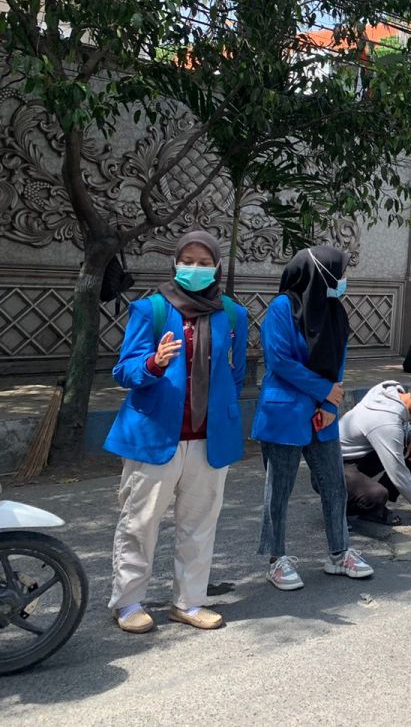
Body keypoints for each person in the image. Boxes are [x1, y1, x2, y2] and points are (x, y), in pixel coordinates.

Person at [105, 230, 249, 633]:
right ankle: (128, 601)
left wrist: (217, 408)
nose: (196, 268)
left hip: (208, 439)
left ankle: (189, 602)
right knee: (140, 522)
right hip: (155, 435)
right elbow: (124, 371)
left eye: (205, 262)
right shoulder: (150, 310)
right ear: (175, 263)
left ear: (217, 267)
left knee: (199, 523)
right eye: (188, 260)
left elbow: (236, 374)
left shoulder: (233, 315)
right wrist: (153, 363)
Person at [252, 246, 373, 592]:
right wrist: (322, 393)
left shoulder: (336, 311)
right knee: (280, 489)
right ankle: (277, 559)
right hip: (285, 412)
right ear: (322, 273)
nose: (344, 279)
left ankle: (339, 552)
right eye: (341, 272)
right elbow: (279, 361)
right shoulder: (282, 308)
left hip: (324, 415)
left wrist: (330, 406)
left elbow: (339, 363)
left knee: (334, 485)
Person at [337, 376, 411, 528]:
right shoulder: (386, 422)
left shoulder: (393, 394)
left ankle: (374, 506)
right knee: (376, 494)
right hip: (333, 469)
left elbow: (401, 423)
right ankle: (342, 508)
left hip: (356, 458)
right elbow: (398, 474)